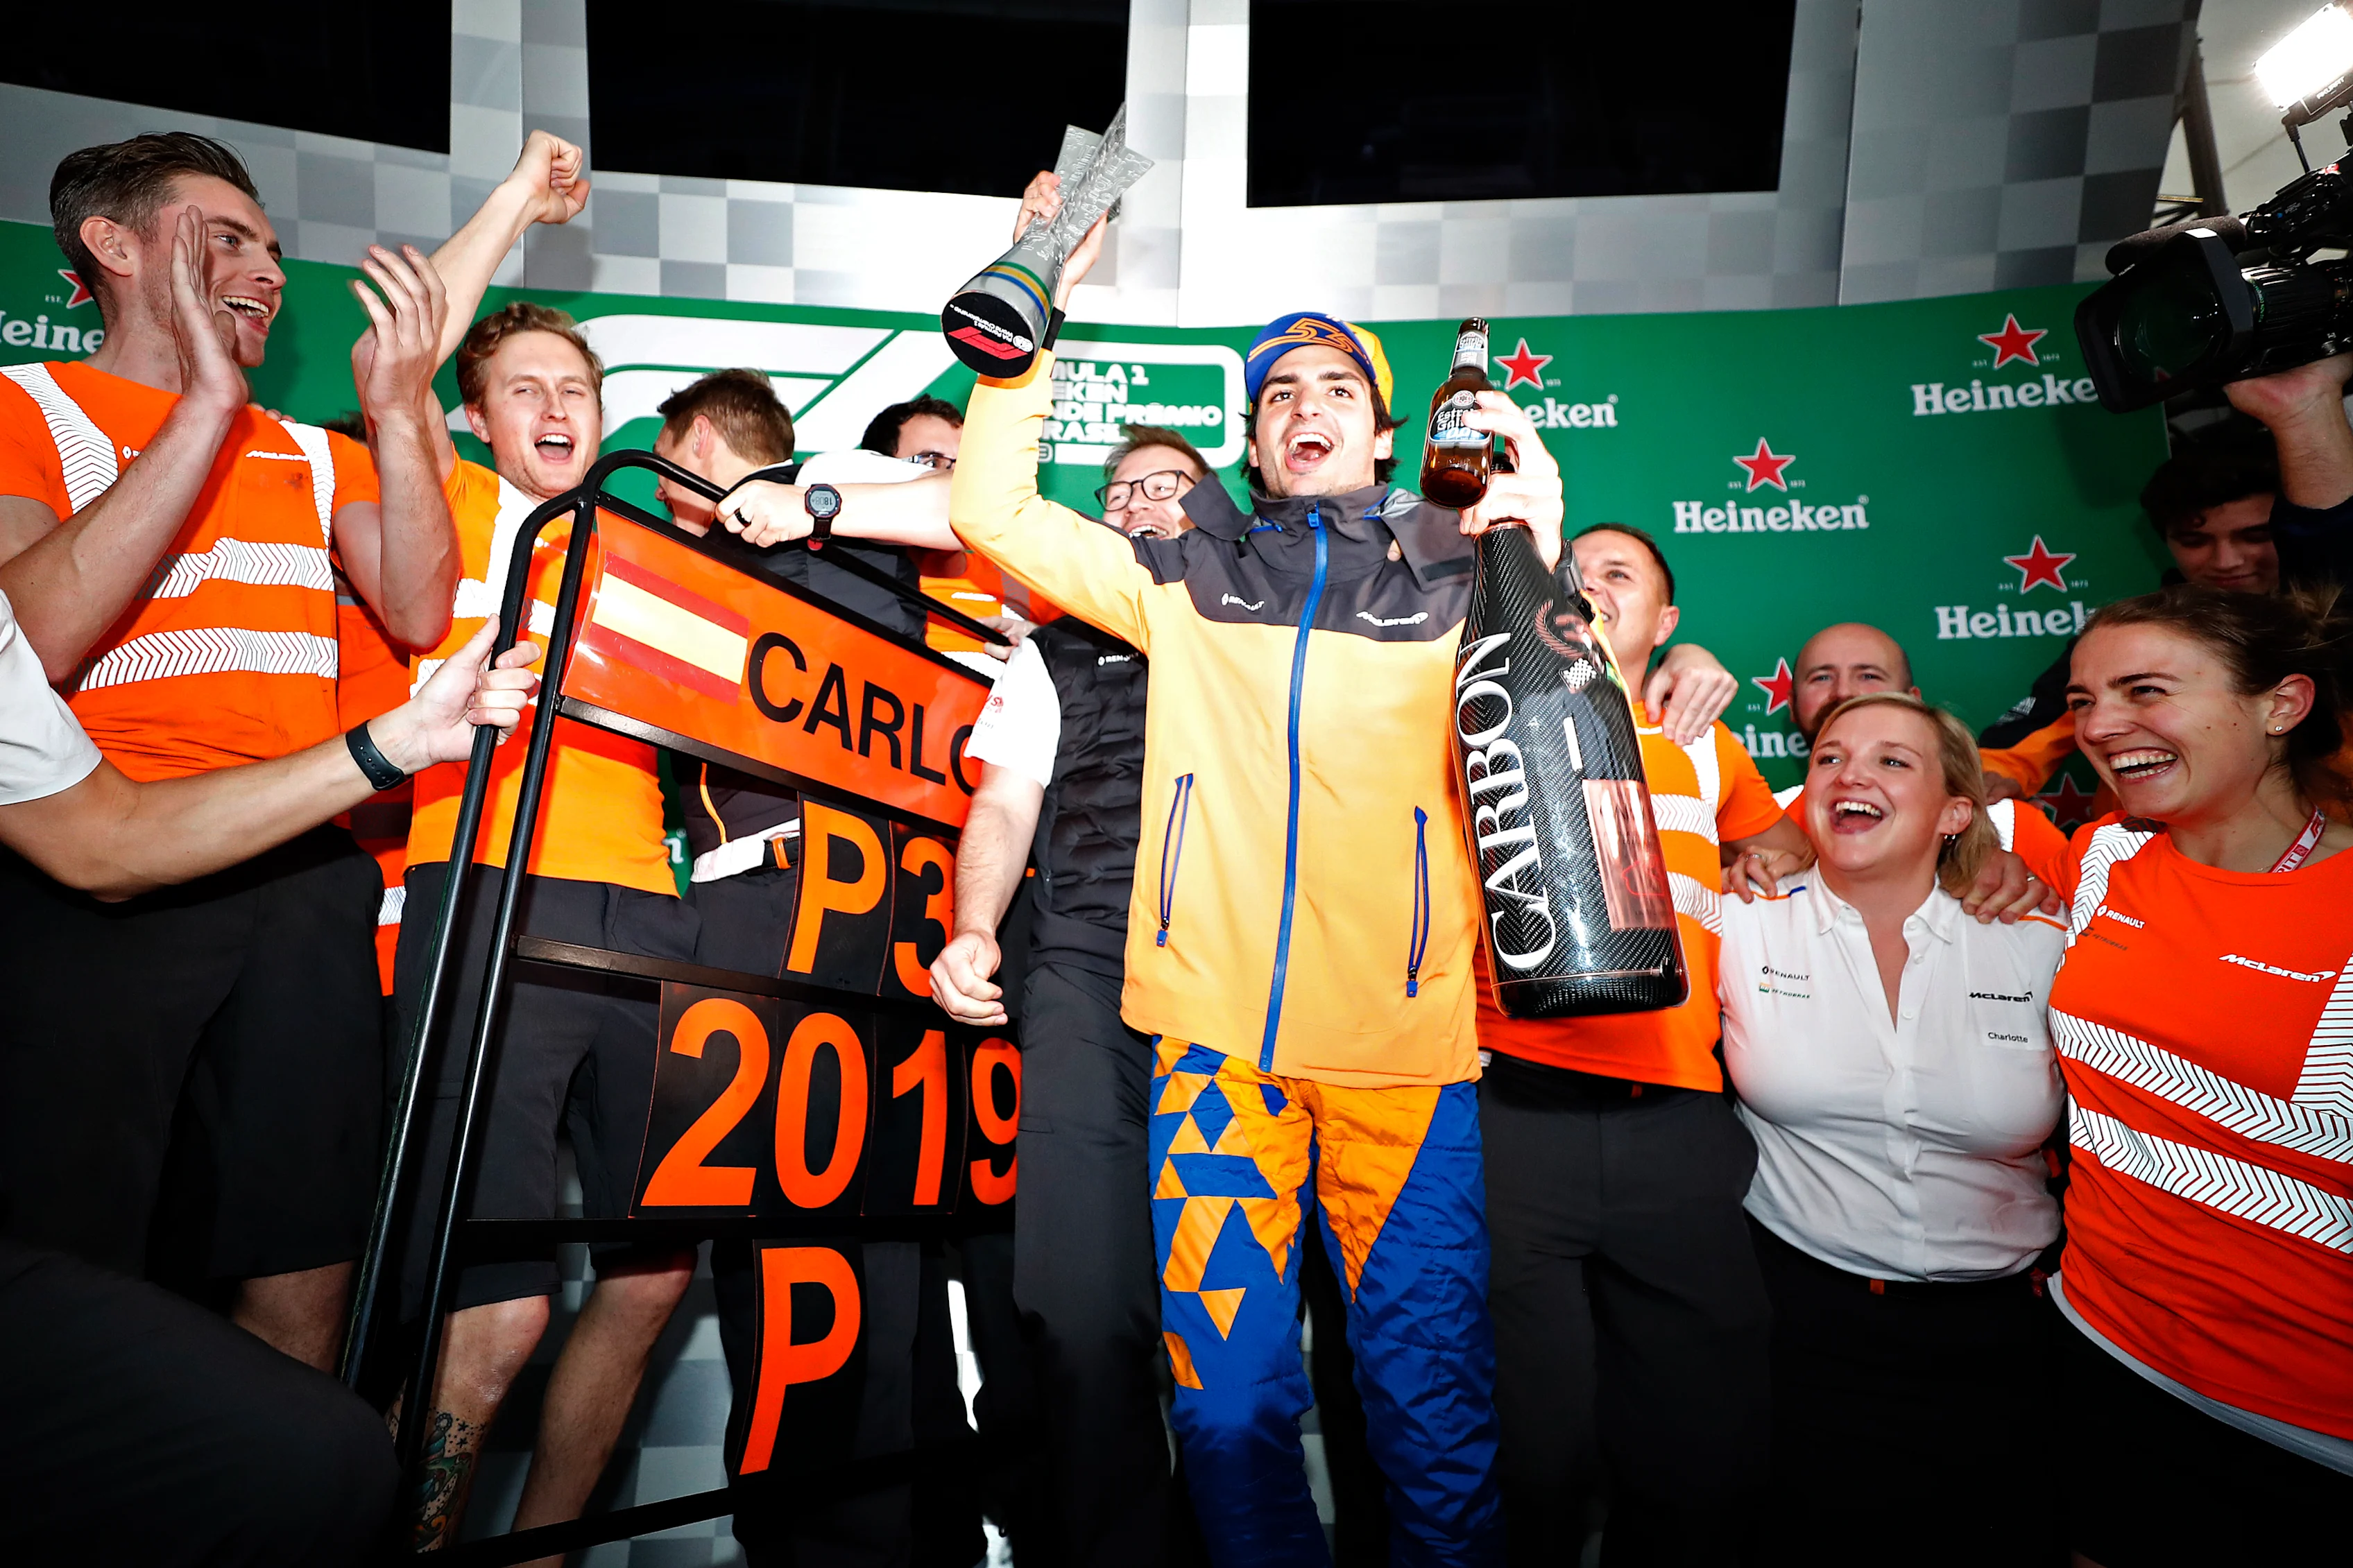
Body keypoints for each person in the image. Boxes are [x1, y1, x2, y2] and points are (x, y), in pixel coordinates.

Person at [932, 162, 1536, 1562]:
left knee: (1429, 1417)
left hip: (1407, 1063)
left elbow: (1570, 729)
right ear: (1255, 449)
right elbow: (994, 514)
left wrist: (1528, 529)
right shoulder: (1187, 575)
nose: (1301, 407)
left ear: (1387, 433)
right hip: (1213, 1058)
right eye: (1276, 397)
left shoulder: (1469, 569)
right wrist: (1039, 316)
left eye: (1331, 387)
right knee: (1222, 1420)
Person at [0, 130, 457, 1368]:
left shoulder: (317, 452)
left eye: (270, 245)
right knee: (70, 1270)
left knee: (303, 1272)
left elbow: (419, 610)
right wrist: (202, 417)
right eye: (231, 238)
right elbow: (24, 634)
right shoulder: (22, 402)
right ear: (112, 244)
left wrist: (401, 406)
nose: (269, 270)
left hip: (297, 875)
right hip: (85, 870)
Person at [0, 584, 534, 1565]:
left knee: (325, 1459)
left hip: (231, 871)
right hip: (82, 954)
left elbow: (104, 838)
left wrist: (403, 741)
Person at [382, 137, 706, 1553]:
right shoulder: (437, 501)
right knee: (496, 1295)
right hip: (485, 896)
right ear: (472, 419)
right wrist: (519, 194)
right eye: (526, 389)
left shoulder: (641, 537)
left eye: (580, 389)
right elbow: (404, 355)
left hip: (645, 917)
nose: (561, 407)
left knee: (649, 1275)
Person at [1475, 522, 1811, 1565]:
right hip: (1511, 1115)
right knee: (1532, 1447)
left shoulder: (1704, 736)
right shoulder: (1486, 718)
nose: (1586, 583)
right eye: (1572, 570)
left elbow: (1788, 845)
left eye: (1618, 575)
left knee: (1700, 1445)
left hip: (1679, 1117)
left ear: (1665, 622)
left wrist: (1686, 684)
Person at [929, 423, 1206, 1566]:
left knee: (1236, 1329)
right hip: (1086, 964)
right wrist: (973, 929)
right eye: (1121, 488)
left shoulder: (1268, 619)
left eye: (1169, 485)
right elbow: (1000, 802)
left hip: (1240, 975)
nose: (1141, 500)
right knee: (1076, 1301)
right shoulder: (1047, 653)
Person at [1720, 693, 2068, 1565]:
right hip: (1802, 1326)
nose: (1850, 776)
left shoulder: (2041, 944)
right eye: (1829, 757)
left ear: (1958, 810)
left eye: (1890, 760)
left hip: (2010, 1335)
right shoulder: (1736, 925)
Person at [2047, 584, 2353, 1567]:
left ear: (2284, 704)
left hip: (2309, 1418)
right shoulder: (2100, 858)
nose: (2102, 726)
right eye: (2084, 700)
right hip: (2104, 1347)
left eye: (2144, 691)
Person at [1978, 355, 2353, 804]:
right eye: (2195, 540)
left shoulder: (2333, 617)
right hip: (2145, 859)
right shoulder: (2126, 638)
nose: (2227, 560)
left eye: (2255, 536)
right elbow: (2009, 754)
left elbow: (2330, 529)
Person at [1783, 621, 2071, 886]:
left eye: (1869, 675)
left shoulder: (2012, 825)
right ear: (1792, 705)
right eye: (1821, 678)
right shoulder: (1761, 821)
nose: (1844, 692)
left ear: (1913, 700)